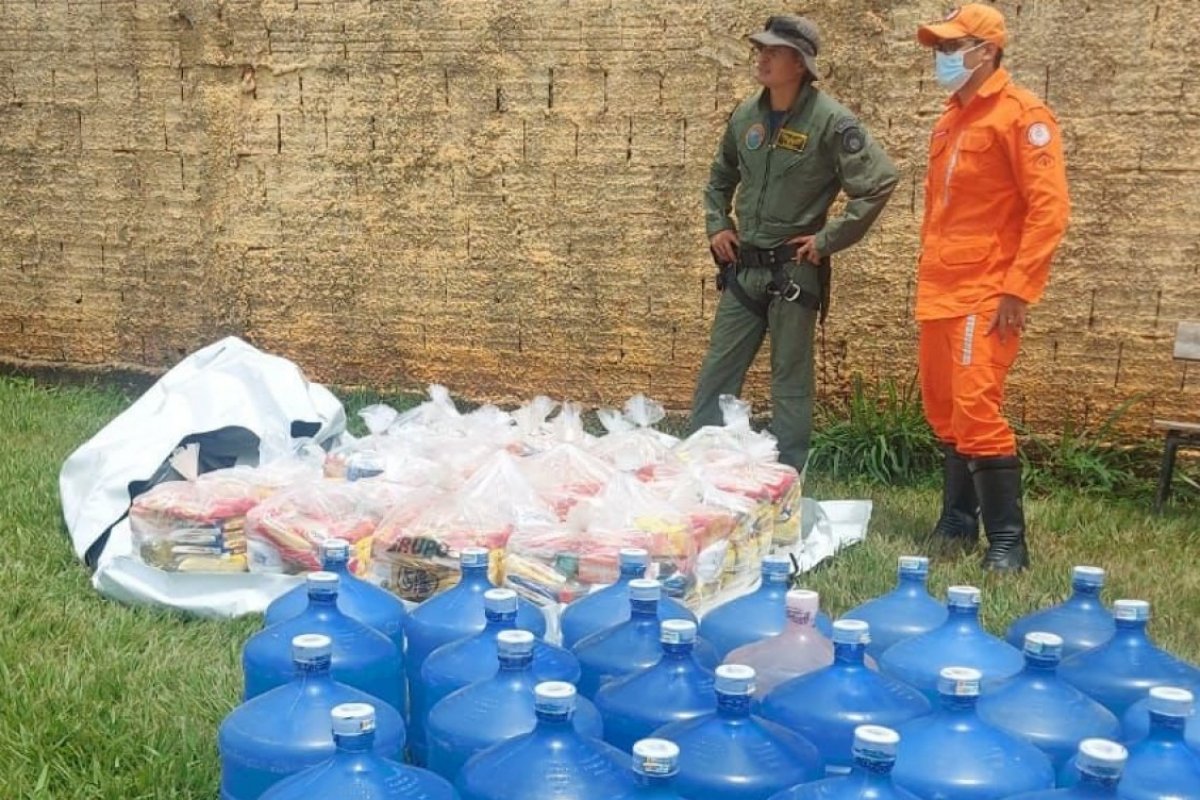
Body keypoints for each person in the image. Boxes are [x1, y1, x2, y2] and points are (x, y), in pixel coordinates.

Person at [688, 14, 898, 472]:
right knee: (717, 373)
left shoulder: (831, 122)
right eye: (759, 48)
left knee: (790, 382)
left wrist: (829, 239)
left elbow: (879, 182)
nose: (762, 57)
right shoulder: (746, 116)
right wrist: (716, 224)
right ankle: (701, 471)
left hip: (794, 271)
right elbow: (720, 177)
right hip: (744, 269)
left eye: (774, 51)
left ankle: (785, 479)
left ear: (800, 63)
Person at [915, 4, 1070, 571]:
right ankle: (957, 521)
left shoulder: (1022, 115)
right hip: (939, 288)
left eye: (953, 46)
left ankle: (1008, 542)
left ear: (987, 50)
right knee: (945, 409)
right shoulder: (949, 119)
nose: (942, 56)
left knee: (977, 405)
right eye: (939, 46)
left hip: (988, 291)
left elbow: (1048, 210)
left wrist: (1017, 288)